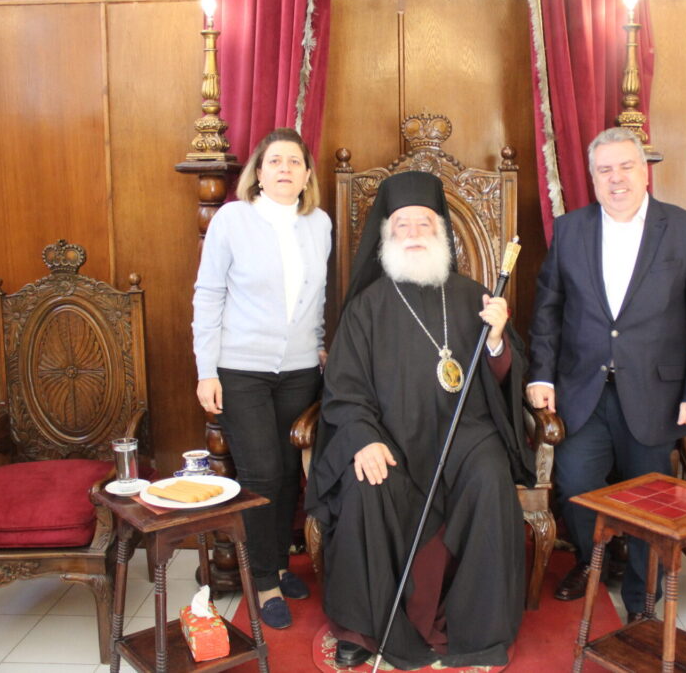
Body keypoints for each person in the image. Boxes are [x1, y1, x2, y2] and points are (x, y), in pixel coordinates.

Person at [306, 171, 534, 670]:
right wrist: (363, 438)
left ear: (440, 231)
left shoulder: (475, 297)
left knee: (491, 474)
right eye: (402, 224)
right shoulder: (366, 308)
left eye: (423, 223)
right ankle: (362, 627)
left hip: (465, 438)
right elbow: (344, 389)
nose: (413, 233)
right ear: (387, 234)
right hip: (389, 439)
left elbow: (504, 376)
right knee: (366, 482)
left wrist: (497, 339)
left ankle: (479, 629)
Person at [527, 127, 686, 619]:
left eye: (625, 167)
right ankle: (591, 560)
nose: (616, 179)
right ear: (592, 178)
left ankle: (641, 600)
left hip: (657, 393)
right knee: (575, 486)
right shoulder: (570, 229)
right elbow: (548, 310)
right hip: (582, 389)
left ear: (644, 171)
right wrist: (541, 376)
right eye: (604, 170)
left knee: (650, 500)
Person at [191, 127, 331, 630]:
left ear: (307, 174)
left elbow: (316, 296)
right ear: (259, 171)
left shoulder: (319, 223)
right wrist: (206, 369)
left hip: (299, 370)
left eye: (294, 162)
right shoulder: (233, 219)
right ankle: (264, 581)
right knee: (260, 473)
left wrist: (318, 343)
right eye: (275, 161)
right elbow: (209, 294)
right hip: (241, 369)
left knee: (289, 471)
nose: (285, 169)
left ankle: (279, 565)